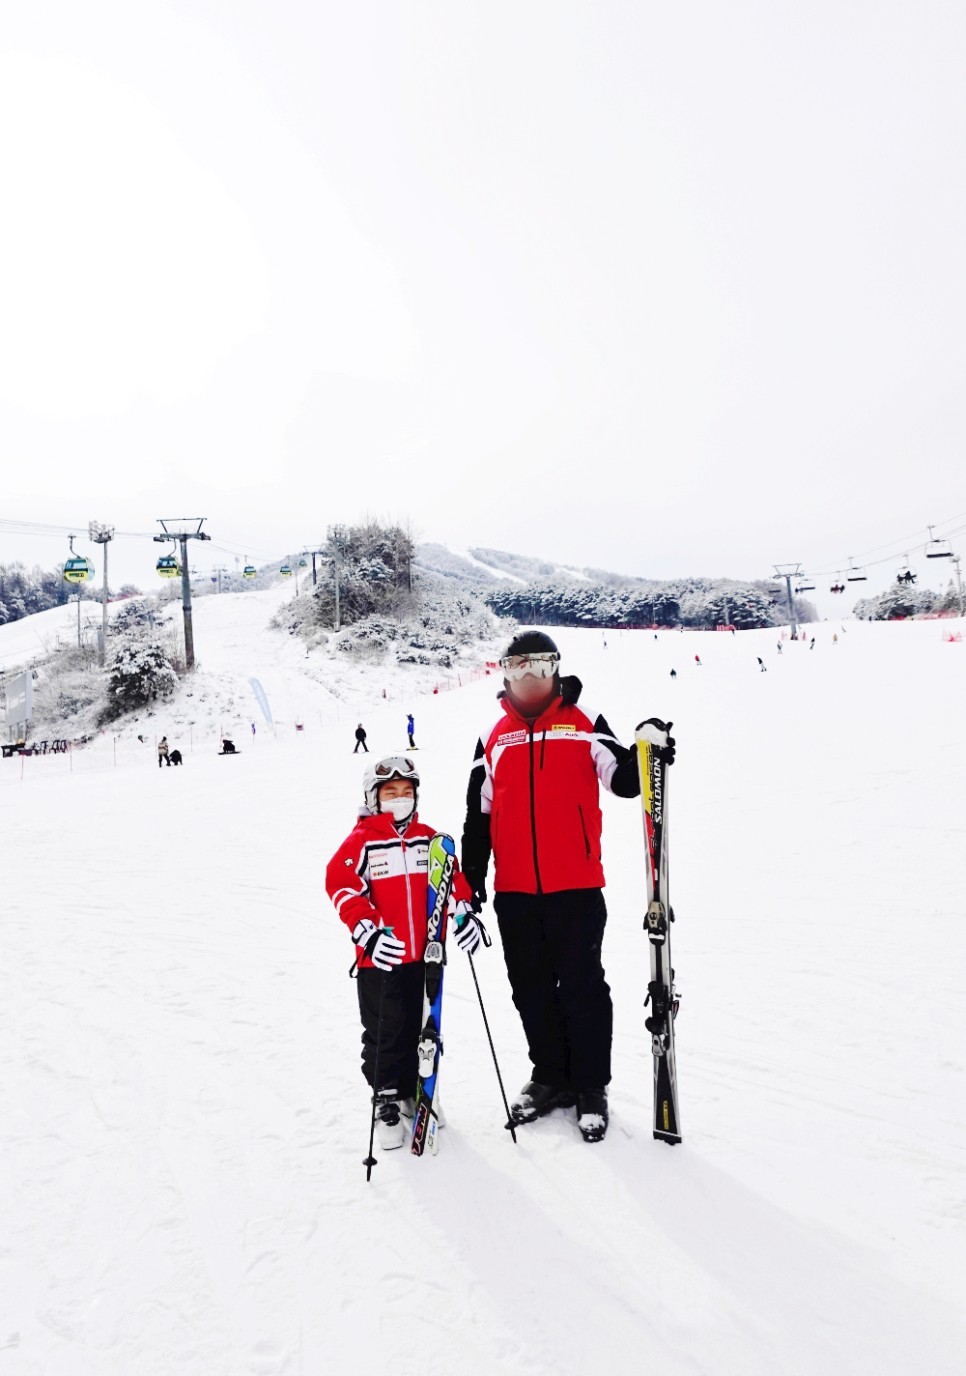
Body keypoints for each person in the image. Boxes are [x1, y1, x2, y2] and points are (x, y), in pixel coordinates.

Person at [461, 631, 648, 1144]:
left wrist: (646, 752)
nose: (528, 678)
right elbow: (478, 819)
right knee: (531, 990)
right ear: (503, 674)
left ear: (555, 671)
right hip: (516, 891)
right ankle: (551, 1077)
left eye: (539, 668)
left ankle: (590, 1086)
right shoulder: (493, 738)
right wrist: (470, 879)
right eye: (517, 668)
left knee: (583, 988)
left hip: (575, 887)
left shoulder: (586, 724)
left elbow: (624, 780)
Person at [326, 757, 483, 1150]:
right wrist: (368, 932)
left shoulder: (430, 840)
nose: (400, 800)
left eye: (407, 793)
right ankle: (387, 1097)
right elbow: (341, 886)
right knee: (385, 1030)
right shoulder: (362, 841)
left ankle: (419, 1088)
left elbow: (452, 884)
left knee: (421, 1025)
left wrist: (463, 914)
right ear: (373, 798)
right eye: (390, 793)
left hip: (425, 957)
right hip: (381, 959)